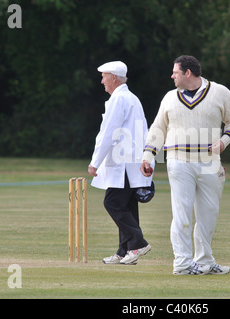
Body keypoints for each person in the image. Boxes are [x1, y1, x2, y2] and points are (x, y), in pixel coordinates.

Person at [141, 55, 230, 275]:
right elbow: (158, 129)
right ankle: (183, 263)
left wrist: (224, 142)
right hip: (179, 161)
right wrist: (148, 157)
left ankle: (205, 261)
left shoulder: (220, 92)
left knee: (208, 214)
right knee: (182, 214)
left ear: (188, 73)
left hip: (209, 162)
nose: (172, 76)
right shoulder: (169, 97)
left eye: (175, 72)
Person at [88, 61, 152, 265]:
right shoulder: (129, 98)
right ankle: (126, 250)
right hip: (131, 161)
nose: (101, 81)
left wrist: (94, 162)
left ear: (114, 78)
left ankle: (138, 243)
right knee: (127, 205)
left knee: (112, 202)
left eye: (104, 77)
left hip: (125, 162)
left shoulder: (120, 99)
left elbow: (108, 133)